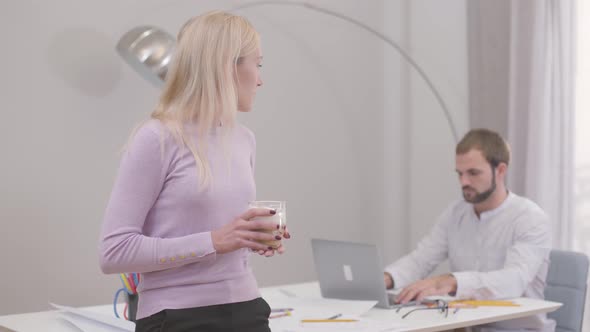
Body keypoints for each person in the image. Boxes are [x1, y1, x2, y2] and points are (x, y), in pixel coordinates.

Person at [99, 11, 289, 332]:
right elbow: (114, 252)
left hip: (248, 309)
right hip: (176, 318)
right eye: (257, 64)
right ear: (227, 66)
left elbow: (226, 236)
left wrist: (254, 238)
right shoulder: (156, 137)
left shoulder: (244, 139)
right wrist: (214, 241)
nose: (260, 79)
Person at [384, 129, 554, 332]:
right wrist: (386, 278)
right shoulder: (456, 213)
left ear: (500, 170)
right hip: (465, 326)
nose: (464, 182)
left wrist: (452, 281)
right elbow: (421, 259)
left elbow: (513, 280)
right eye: (460, 173)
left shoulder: (530, 218)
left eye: (473, 173)